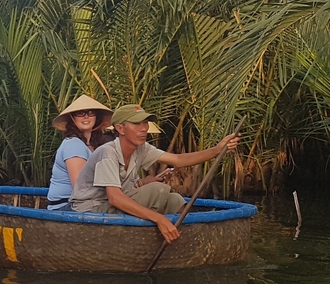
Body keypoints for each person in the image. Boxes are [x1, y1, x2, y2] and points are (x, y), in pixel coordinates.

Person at [70, 104, 239, 243]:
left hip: (111, 205)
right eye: (137, 124)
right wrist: (159, 219)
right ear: (120, 128)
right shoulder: (107, 153)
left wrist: (217, 150)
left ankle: (189, 238)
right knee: (158, 189)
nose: (144, 129)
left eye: (145, 124)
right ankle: (166, 230)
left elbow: (178, 159)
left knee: (174, 199)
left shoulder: (141, 149)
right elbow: (115, 198)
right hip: (90, 210)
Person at [46, 95, 112, 210]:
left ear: (97, 117)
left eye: (91, 112)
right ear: (72, 118)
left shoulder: (93, 145)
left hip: (86, 202)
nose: (86, 116)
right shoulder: (73, 144)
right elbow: (81, 188)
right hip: (66, 206)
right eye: (80, 113)